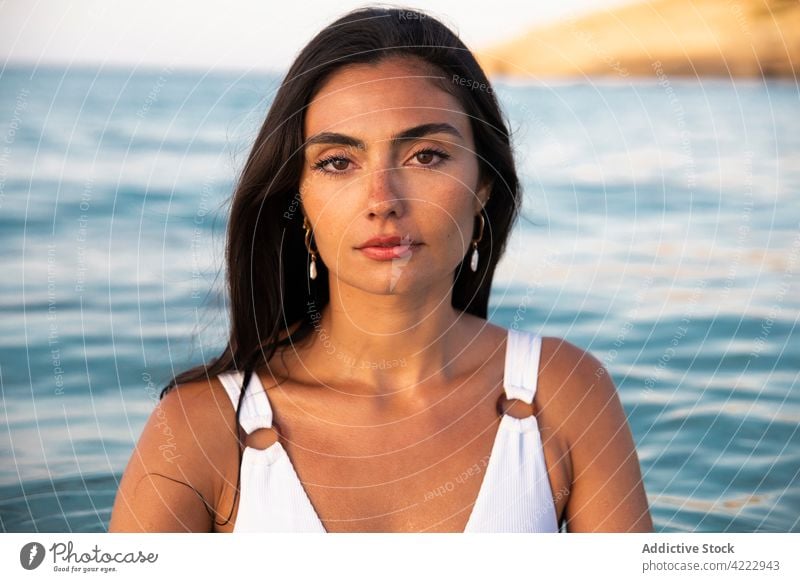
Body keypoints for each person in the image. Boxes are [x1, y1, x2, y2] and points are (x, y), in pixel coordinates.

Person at [109, 5, 653, 533]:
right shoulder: (199, 428)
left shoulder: (566, 394)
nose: (382, 200)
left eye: (426, 155)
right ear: (298, 195)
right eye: (338, 162)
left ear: (484, 185)